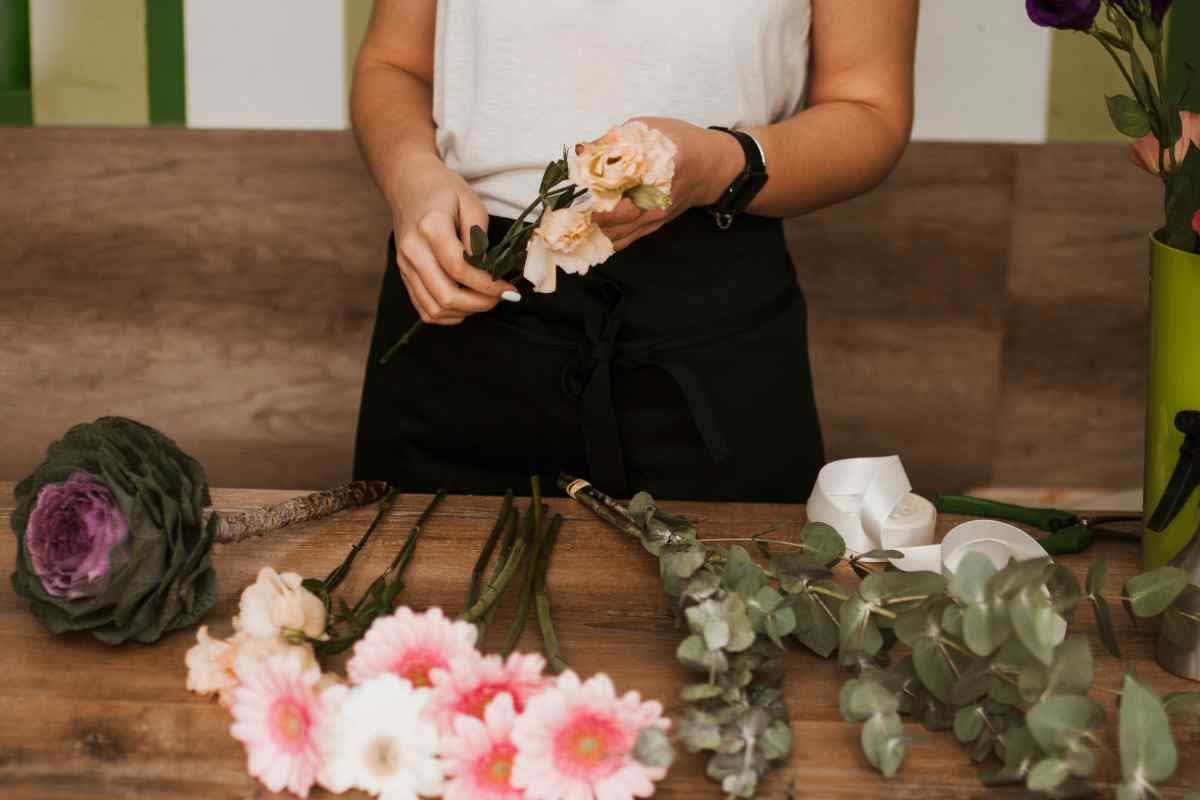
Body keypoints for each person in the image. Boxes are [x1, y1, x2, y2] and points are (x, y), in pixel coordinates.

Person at [350, 0, 918, 502]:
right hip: (463, 296)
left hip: (710, 331)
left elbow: (868, 109)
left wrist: (717, 166)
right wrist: (411, 178)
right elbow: (394, 65)